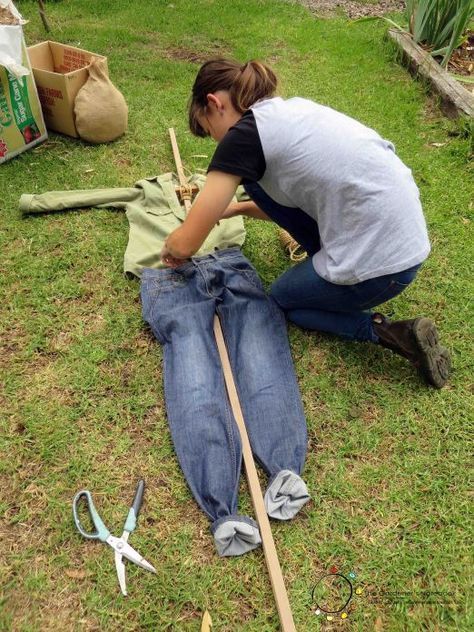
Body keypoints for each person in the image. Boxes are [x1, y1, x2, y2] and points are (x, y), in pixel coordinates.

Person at [160, 58, 451, 388]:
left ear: (215, 103)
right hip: (405, 242)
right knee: (256, 183)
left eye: (211, 130)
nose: (218, 142)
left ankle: (390, 332)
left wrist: (172, 246)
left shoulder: (243, 138)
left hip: (381, 266)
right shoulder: (290, 113)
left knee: (284, 300)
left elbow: (185, 244)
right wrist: (234, 210)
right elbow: (290, 199)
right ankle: (336, 266)